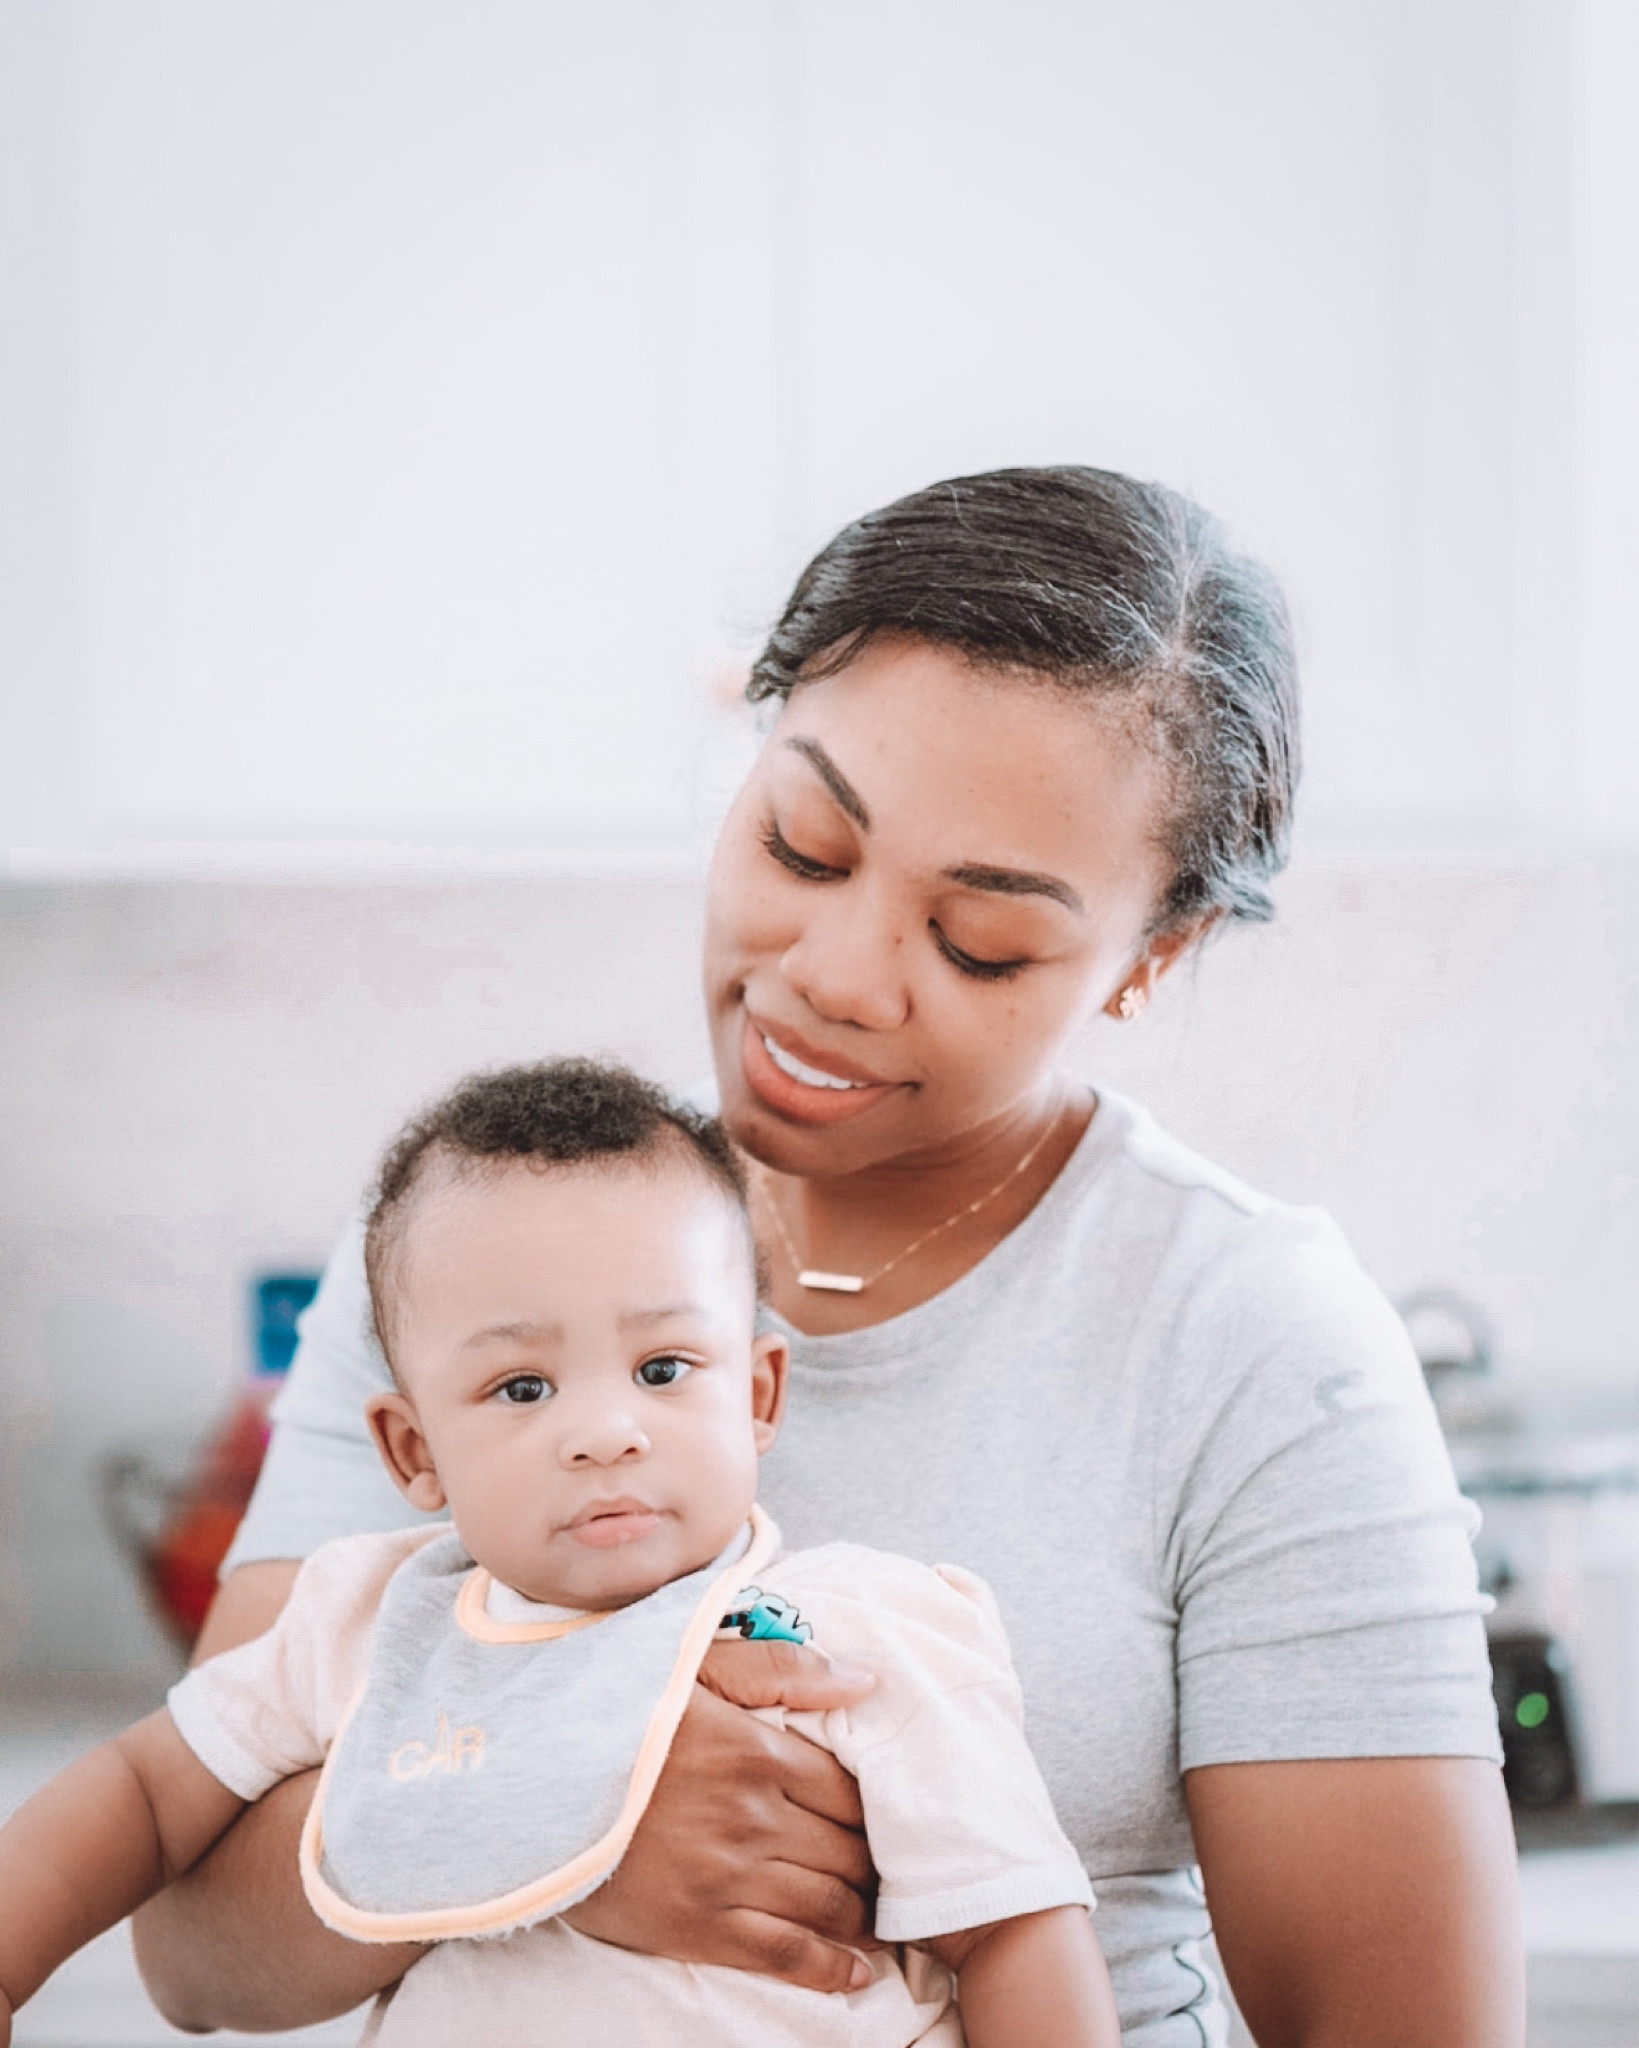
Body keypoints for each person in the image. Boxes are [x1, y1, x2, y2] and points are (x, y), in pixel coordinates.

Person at [134, 468, 1524, 2048]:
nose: (838, 977)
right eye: (803, 845)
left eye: (978, 941)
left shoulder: (1248, 1342)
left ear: (1153, 955)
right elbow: (197, 1953)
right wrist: (553, 1830)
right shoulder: (474, 1260)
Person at [0, 1059, 1118, 2048]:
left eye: (665, 1366)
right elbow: (145, 1794)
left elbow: (1016, 1930)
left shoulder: (864, 1630)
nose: (605, 1428)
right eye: (523, 1386)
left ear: (760, 1391)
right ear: (412, 1447)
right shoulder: (366, 1626)